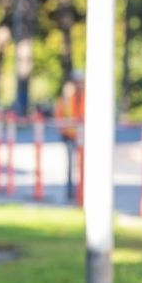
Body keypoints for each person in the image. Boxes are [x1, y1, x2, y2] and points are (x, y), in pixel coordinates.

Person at [54, 70, 84, 200]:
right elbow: (60, 114)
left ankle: (83, 189)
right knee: (71, 165)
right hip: (70, 135)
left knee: (84, 165)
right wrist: (63, 129)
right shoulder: (67, 96)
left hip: (83, 135)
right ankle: (71, 191)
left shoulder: (86, 95)